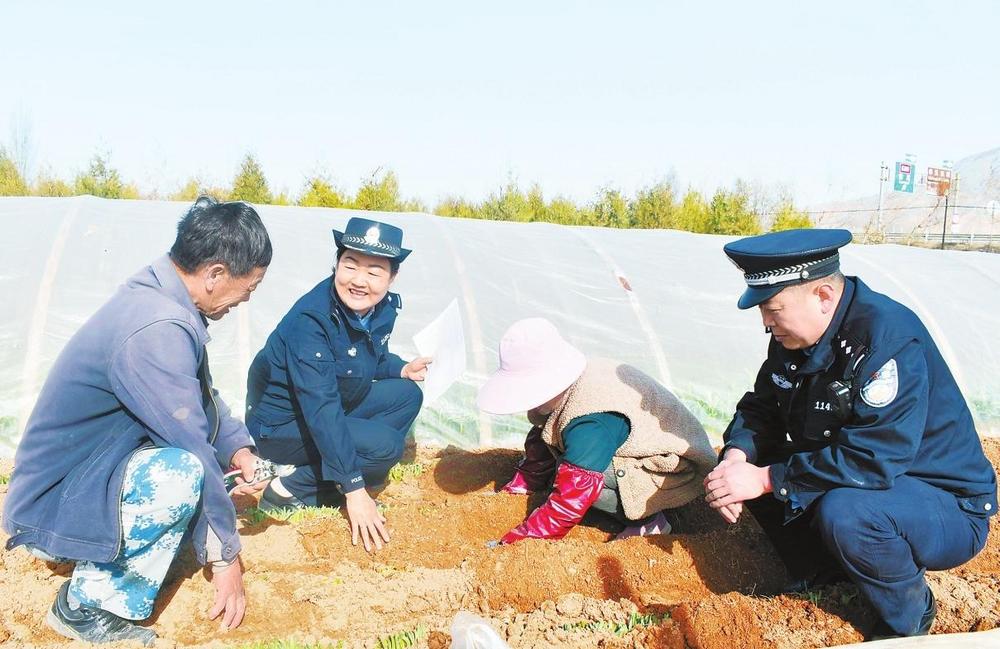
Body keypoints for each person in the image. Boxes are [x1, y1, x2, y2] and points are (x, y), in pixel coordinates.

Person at [3, 196, 274, 645]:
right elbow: (190, 446)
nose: (246, 299)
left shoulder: (163, 302)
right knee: (181, 472)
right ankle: (84, 608)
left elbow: (199, 399)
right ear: (215, 275)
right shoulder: (156, 328)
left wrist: (238, 448)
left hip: (83, 479)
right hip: (52, 503)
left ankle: (99, 554)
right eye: (250, 286)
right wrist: (226, 559)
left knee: (187, 469)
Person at [705, 228, 997, 639]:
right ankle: (825, 575)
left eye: (773, 308)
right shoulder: (794, 339)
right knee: (749, 460)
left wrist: (766, 478)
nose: (766, 323)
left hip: (943, 503)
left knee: (846, 511)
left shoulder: (885, 339)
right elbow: (761, 407)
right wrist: (737, 457)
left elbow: (877, 457)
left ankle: (909, 617)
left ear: (822, 296)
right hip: (876, 486)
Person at [246, 217, 429, 552]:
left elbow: (366, 357)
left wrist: (401, 368)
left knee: (406, 395)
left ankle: (339, 469)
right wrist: (355, 489)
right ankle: (289, 488)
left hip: (331, 402)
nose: (360, 281)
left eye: (374, 271)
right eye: (351, 265)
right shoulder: (312, 321)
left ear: (392, 276)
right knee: (386, 447)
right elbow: (321, 407)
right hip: (282, 425)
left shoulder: (381, 308)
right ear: (336, 264)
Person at [477, 317, 716, 544]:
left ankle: (649, 521)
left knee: (581, 474)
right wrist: (523, 485)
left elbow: (573, 496)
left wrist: (518, 542)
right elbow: (546, 432)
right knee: (565, 451)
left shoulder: (588, 422)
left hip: (674, 469)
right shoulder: (568, 392)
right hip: (647, 446)